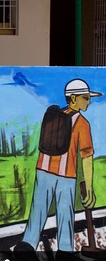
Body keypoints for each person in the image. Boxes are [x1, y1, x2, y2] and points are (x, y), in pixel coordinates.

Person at [23, 78, 98, 250]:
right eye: (85, 98)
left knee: (38, 211)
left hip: (43, 170)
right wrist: (89, 188)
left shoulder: (52, 117)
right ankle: (65, 251)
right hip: (66, 175)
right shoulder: (82, 123)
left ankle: (27, 245)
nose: (89, 101)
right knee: (65, 215)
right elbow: (86, 155)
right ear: (73, 98)